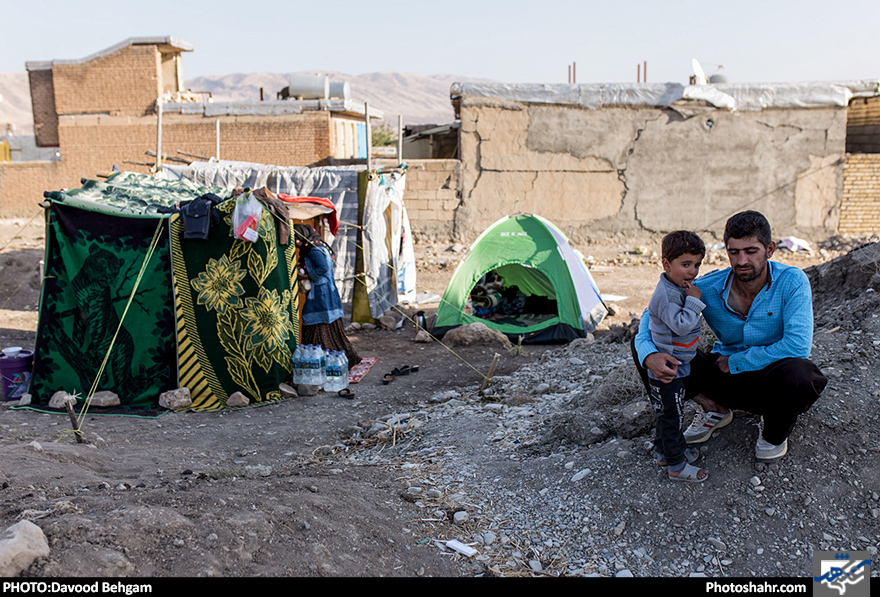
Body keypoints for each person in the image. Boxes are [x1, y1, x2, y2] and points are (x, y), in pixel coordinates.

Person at [632, 211, 827, 463]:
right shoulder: (708, 286)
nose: (742, 260)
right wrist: (649, 354)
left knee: (802, 374)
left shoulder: (792, 282)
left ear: (769, 249)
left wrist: (736, 362)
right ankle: (714, 408)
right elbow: (651, 315)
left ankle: (773, 432)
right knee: (644, 345)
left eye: (751, 251)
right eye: (734, 252)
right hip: (723, 379)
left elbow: (797, 346)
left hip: (770, 380)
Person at [645, 230, 708, 482]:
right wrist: (694, 301)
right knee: (673, 417)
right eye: (685, 265)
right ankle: (676, 466)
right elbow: (681, 325)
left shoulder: (675, 287)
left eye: (696, 265)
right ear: (666, 264)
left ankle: (665, 453)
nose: (692, 271)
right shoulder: (668, 296)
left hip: (676, 364)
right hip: (669, 368)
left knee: (667, 414)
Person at [293, 223, 362, 367]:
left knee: (314, 322)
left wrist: (305, 277)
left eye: (295, 238)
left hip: (321, 293)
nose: (294, 242)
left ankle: (322, 361)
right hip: (326, 292)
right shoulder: (317, 246)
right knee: (327, 324)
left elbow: (323, 268)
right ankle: (334, 359)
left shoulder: (314, 250)